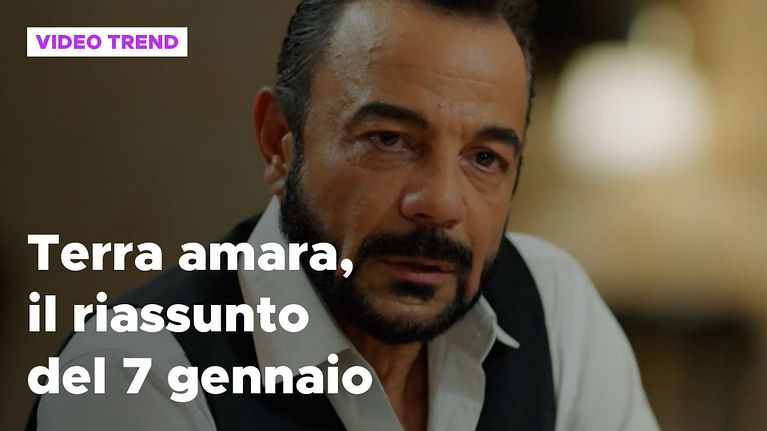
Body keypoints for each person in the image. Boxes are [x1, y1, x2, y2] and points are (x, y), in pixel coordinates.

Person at [30, 0, 659, 430]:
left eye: (484, 159)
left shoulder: (554, 304)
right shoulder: (133, 376)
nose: (440, 203)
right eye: (390, 140)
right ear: (279, 142)